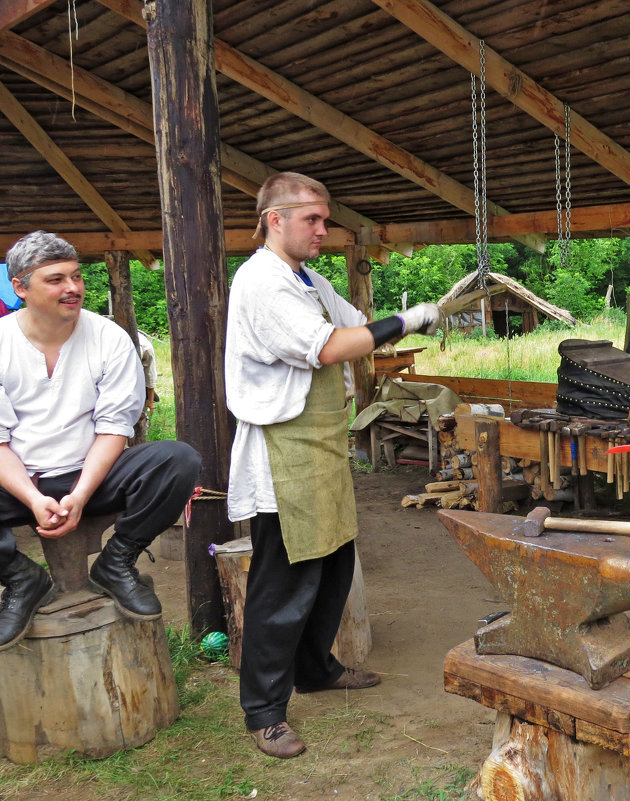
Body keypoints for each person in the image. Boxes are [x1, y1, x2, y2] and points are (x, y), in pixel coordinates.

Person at [224, 172, 444, 759]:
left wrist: (398, 323)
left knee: (332, 567)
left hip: (323, 444)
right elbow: (330, 347)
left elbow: (352, 328)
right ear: (275, 219)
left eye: (326, 219)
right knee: (284, 583)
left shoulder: (310, 278)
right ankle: (264, 712)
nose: (324, 230)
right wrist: (408, 319)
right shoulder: (261, 282)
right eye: (312, 220)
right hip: (285, 448)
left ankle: (317, 669)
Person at [0, 231, 201, 650]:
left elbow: (114, 429)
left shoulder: (108, 337)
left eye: (76, 276)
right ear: (19, 286)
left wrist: (80, 493)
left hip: (94, 473)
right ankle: (20, 578)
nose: (72, 288)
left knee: (177, 459)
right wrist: (35, 500)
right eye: (55, 280)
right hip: (19, 482)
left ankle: (117, 560)